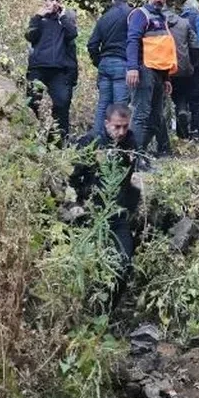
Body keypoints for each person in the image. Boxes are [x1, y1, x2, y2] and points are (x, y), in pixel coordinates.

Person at [69, 103, 141, 272]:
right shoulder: (91, 142)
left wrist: (132, 205)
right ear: (107, 123)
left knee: (125, 264)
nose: (121, 132)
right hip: (91, 212)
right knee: (87, 264)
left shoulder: (130, 143)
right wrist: (75, 204)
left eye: (125, 126)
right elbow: (73, 176)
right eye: (117, 127)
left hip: (117, 213)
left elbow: (131, 179)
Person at [126, 0, 177, 157]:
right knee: (141, 114)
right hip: (143, 69)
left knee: (156, 115)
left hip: (158, 72)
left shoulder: (162, 18)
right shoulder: (141, 14)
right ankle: (134, 157)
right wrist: (132, 68)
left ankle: (156, 152)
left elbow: (163, 49)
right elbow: (132, 40)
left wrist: (166, 78)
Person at [25, 0, 78, 144]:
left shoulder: (64, 21)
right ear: (45, 2)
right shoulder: (39, 20)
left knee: (62, 103)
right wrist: (37, 16)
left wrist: (63, 17)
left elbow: (72, 34)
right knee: (32, 101)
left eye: (57, 0)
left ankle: (56, 143)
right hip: (38, 67)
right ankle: (29, 137)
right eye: (51, 0)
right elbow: (30, 36)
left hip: (58, 70)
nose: (54, 3)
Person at [88, 0, 131, 137]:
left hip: (105, 63)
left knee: (103, 106)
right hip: (122, 63)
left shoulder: (104, 18)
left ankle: (97, 142)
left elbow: (92, 44)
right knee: (120, 107)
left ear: (113, 0)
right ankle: (117, 144)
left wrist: (98, 62)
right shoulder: (131, 14)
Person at [164, 5, 199, 143]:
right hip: (182, 67)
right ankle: (182, 132)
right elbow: (195, 43)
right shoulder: (184, 23)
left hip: (162, 66)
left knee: (161, 100)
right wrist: (194, 63)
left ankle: (165, 134)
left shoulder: (155, 22)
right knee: (181, 96)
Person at [176, 0, 199, 139]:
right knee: (196, 99)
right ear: (196, 8)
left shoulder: (176, 20)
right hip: (194, 65)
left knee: (180, 97)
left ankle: (182, 134)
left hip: (177, 67)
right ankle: (196, 132)